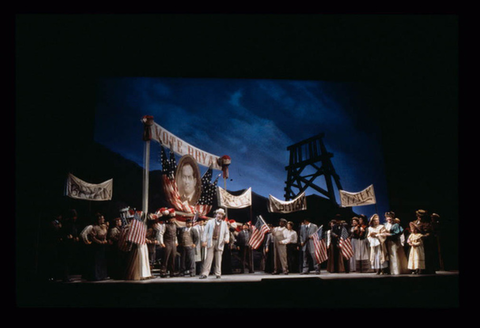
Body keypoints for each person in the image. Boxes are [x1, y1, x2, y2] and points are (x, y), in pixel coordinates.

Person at [199, 208, 230, 279]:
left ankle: (218, 273)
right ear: (216, 214)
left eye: (221, 214)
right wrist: (204, 241)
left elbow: (226, 233)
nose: (219, 215)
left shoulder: (224, 224)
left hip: (220, 242)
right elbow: (205, 232)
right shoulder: (210, 222)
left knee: (218, 259)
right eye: (218, 214)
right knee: (208, 258)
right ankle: (205, 273)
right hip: (211, 241)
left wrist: (226, 239)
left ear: (222, 216)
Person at [411, 209, 436, 274]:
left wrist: (423, 236)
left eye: (421, 217)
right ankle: (416, 268)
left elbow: (429, 232)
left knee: (425, 256)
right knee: (416, 256)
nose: (419, 218)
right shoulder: (414, 222)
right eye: (418, 216)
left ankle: (424, 269)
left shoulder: (426, 224)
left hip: (424, 242)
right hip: (416, 241)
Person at [61, 209, 82, 282]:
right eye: (74, 217)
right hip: (66, 245)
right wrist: (70, 237)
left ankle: (67, 275)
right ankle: (65, 276)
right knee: (65, 261)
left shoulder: (73, 224)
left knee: (69, 261)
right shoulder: (67, 224)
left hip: (71, 245)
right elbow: (64, 234)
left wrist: (76, 237)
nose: (75, 218)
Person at [87, 213, 109, 281]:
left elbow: (105, 235)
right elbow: (93, 237)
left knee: (102, 260)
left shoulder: (103, 226)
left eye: (103, 218)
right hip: (97, 245)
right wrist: (100, 242)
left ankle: (102, 275)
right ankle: (96, 275)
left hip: (102, 245)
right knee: (96, 261)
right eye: (101, 218)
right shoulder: (94, 227)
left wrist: (104, 240)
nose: (103, 220)